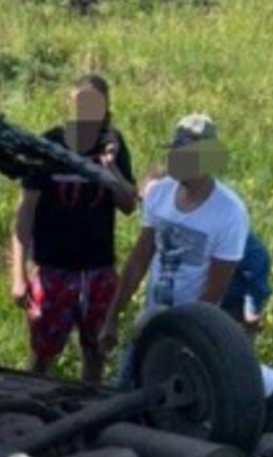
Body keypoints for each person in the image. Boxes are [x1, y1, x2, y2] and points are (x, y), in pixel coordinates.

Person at [11, 76, 139, 385]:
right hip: (53, 270)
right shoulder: (48, 145)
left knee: (95, 355)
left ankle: (87, 416)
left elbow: (128, 204)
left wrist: (111, 167)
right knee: (43, 355)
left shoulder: (114, 146)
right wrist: (18, 274)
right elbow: (25, 211)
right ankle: (30, 410)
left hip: (98, 270)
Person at [106, 112, 250, 348]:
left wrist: (178, 335)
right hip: (152, 322)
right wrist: (112, 317)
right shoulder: (160, 192)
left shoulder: (230, 213)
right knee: (127, 381)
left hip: (193, 334)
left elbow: (213, 293)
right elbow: (138, 260)